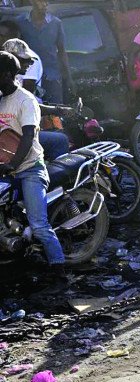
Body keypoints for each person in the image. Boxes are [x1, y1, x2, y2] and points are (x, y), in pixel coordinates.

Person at [0, 51, 65, 272]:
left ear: (8, 74)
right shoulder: (1, 100)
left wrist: (13, 165)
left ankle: (59, 268)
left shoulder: (26, 101)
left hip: (29, 169)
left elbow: (28, 136)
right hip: (6, 170)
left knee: (39, 225)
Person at [1, 38, 67, 160]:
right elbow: (27, 106)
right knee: (60, 140)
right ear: (10, 58)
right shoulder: (6, 84)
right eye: (24, 60)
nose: (30, 64)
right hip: (9, 135)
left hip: (10, 130)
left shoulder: (11, 81)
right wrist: (58, 110)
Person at [15, 0, 73, 104]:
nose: (45, 4)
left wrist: (68, 77)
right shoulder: (20, 22)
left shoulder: (56, 23)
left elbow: (62, 51)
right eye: (41, 1)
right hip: (30, 78)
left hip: (52, 77)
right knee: (32, 108)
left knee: (55, 110)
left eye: (47, 2)